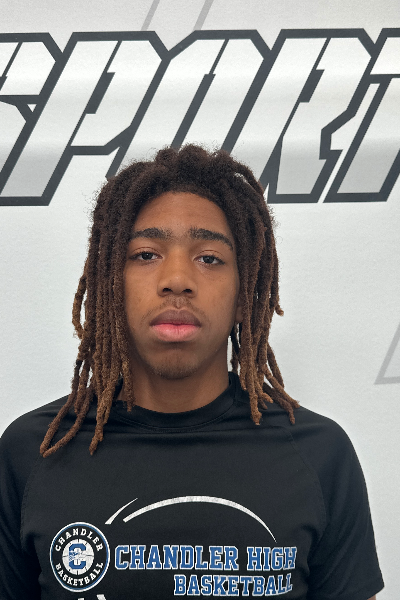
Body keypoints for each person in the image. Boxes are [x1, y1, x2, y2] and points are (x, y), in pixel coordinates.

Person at [0, 145, 383, 599]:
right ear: (110, 284)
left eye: (209, 258)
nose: (177, 279)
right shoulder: (34, 454)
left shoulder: (319, 456)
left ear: (244, 295)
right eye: (146, 254)